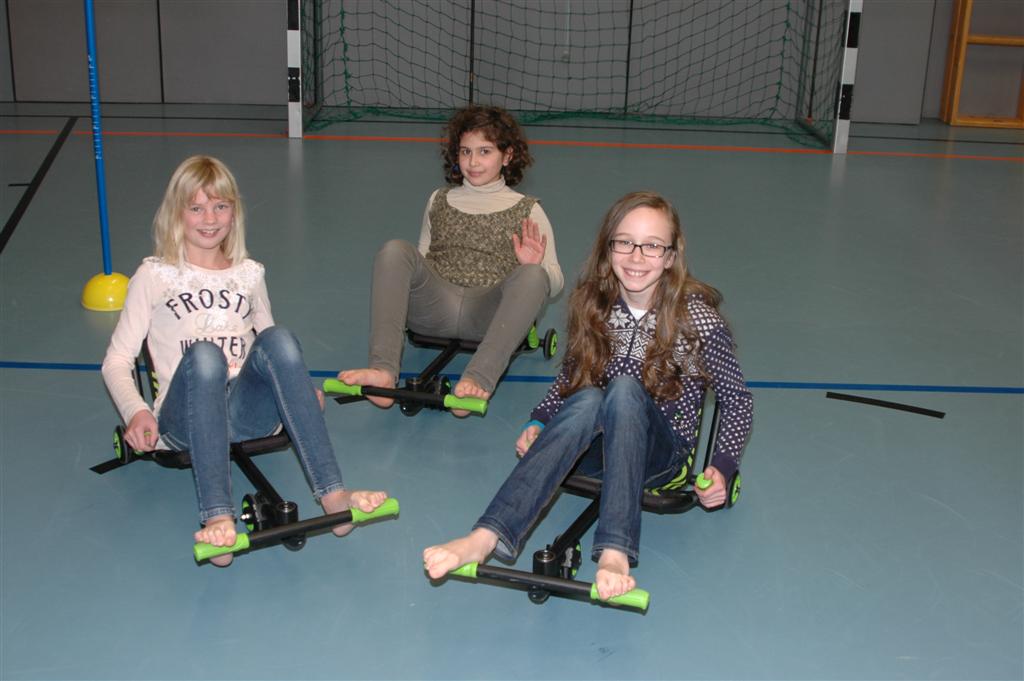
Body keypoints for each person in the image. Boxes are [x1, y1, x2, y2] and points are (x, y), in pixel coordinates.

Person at [423, 191, 753, 600]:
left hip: (660, 458)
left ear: (671, 256)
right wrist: (540, 421)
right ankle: (486, 536)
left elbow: (737, 400)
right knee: (590, 398)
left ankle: (614, 550)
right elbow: (570, 378)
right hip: (596, 450)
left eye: (652, 246)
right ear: (608, 248)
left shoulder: (697, 320)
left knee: (624, 389)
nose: (636, 256)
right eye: (624, 242)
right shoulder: (595, 306)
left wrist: (722, 465)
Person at [102, 155, 388, 567]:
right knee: (206, 357)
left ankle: (334, 495)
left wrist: (299, 392)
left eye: (220, 206)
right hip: (185, 417)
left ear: (234, 212)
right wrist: (136, 411)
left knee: (280, 337)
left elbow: (272, 350)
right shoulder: (155, 275)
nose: (210, 219)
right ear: (176, 213)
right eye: (196, 208)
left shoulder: (249, 274)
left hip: (246, 411)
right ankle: (218, 516)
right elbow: (116, 360)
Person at [338, 105, 563, 416]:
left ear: (507, 156)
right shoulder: (439, 199)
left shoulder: (528, 209)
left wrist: (534, 265)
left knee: (534, 275)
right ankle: (383, 369)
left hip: (488, 316)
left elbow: (555, 283)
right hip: (435, 309)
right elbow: (421, 257)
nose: (473, 162)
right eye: (465, 151)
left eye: (485, 151)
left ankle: (477, 379)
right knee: (395, 250)